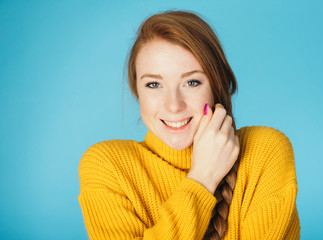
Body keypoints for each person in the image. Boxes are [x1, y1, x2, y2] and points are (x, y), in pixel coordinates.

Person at [78, 10, 300, 240]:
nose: (173, 105)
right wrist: (202, 179)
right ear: (137, 92)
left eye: (191, 82)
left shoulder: (265, 151)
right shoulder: (106, 166)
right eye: (153, 84)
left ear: (216, 86)